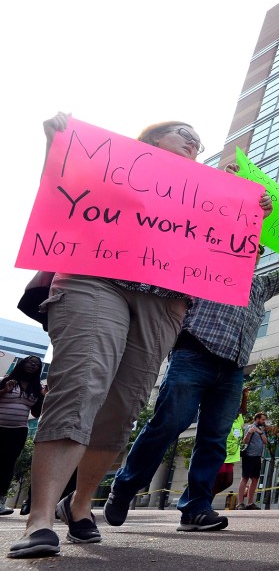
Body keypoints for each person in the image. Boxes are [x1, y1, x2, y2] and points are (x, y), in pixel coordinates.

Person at [9, 115, 224, 560]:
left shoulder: (211, 191)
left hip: (164, 301)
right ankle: (41, 520)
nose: (194, 142)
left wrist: (247, 213)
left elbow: (224, 248)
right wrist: (60, 147)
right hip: (95, 278)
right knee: (81, 384)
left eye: (199, 142)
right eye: (184, 133)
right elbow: (66, 191)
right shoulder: (112, 164)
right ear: (151, 139)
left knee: (123, 405)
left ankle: (80, 505)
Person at [104, 235, 279, 529]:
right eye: (245, 247)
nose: (252, 254)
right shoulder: (203, 270)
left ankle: (195, 508)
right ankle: (123, 489)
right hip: (193, 356)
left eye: (256, 250)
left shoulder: (259, 285)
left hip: (233, 369)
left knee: (214, 440)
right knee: (168, 423)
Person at [1, 357, 45, 516]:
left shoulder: (35, 388)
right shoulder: (7, 380)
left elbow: (36, 413)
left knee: (7, 465)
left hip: (18, 431)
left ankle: (0, 500)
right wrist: (4, 390)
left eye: (37, 364)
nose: (33, 365)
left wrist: (43, 397)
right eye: (30, 362)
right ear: (22, 364)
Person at [213, 387, 250, 502]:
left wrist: (244, 396)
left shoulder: (238, 420)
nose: (238, 412)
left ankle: (207, 497)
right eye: (235, 410)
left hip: (231, 456)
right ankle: (205, 501)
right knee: (218, 480)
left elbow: (243, 410)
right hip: (221, 454)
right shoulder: (223, 420)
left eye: (238, 411)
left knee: (228, 482)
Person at [238, 412, 268, 509]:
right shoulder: (249, 427)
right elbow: (245, 441)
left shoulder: (261, 429)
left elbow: (265, 442)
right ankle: (240, 503)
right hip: (249, 456)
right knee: (245, 478)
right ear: (257, 419)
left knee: (255, 479)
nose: (264, 421)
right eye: (262, 419)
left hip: (257, 457)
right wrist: (250, 432)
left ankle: (250, 503)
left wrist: (260, 432)